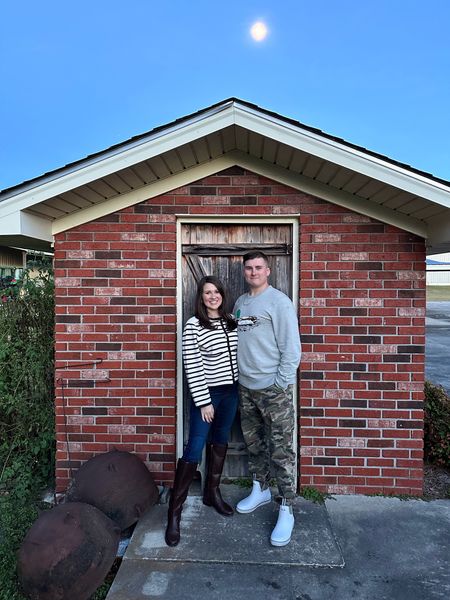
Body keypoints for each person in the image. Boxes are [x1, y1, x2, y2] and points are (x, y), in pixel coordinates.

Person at [234, 250, 301, 547]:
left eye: (258, 267)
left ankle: (286, 507)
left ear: (268, 270)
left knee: (281, 450)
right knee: (255, 443)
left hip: (274, 390)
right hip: (246, 387)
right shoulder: (240, 302)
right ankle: (260, 488)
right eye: (249, 268)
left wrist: (279, 383)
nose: (253, 272)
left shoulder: (279, 302)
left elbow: (292, 349)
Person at [165, 275, 239, 547]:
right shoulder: (193, 325)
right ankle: (174, 514)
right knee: (194, 448)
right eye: (207, 292)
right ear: (201, 297)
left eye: (216, 291)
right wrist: (203, 401)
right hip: (208, 395)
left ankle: (212, 493)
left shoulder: (231, 320)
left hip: (231, 392)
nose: (212, 296)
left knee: (220, 440)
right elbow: (192, 365)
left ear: (222, 294)